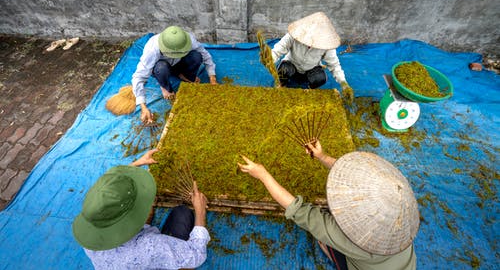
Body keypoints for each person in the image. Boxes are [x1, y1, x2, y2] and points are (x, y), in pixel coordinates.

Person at [238, 140, 419, 270]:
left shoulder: (349, 237)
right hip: (406, 265)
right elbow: (354, 173)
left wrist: (263, 175)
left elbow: (299, 211)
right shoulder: (398, 199)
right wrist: (321, 156)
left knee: (322, 237)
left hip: (366, 264)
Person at [72, 149, 210, 270]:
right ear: (130, 219)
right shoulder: (150, 246)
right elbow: (197, 255)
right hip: (143, 257)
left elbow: (110, 190)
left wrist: (135, 165)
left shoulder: (91, 229)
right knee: (182, 213)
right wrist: (200, 211)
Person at [132, 26, 218, 123]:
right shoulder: (152, 49)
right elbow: (139, 77)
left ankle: (183, 74)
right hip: (162, 67)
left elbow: (204, 54)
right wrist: (143, 107)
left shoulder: (187, 40)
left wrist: (212, 77)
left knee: (196, 56)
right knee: (161, 68)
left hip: (179, 63)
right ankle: (165, 86)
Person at [271, 12, 353, 102]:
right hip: (292, 65)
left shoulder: (325, 45)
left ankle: (309, 89)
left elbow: (334, 66)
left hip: (310, 70)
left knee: (320, 78)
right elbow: (279, 49)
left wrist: (344, 83)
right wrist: (270, 59)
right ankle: (282, 85)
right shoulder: (294, 35)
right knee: (284, 70)